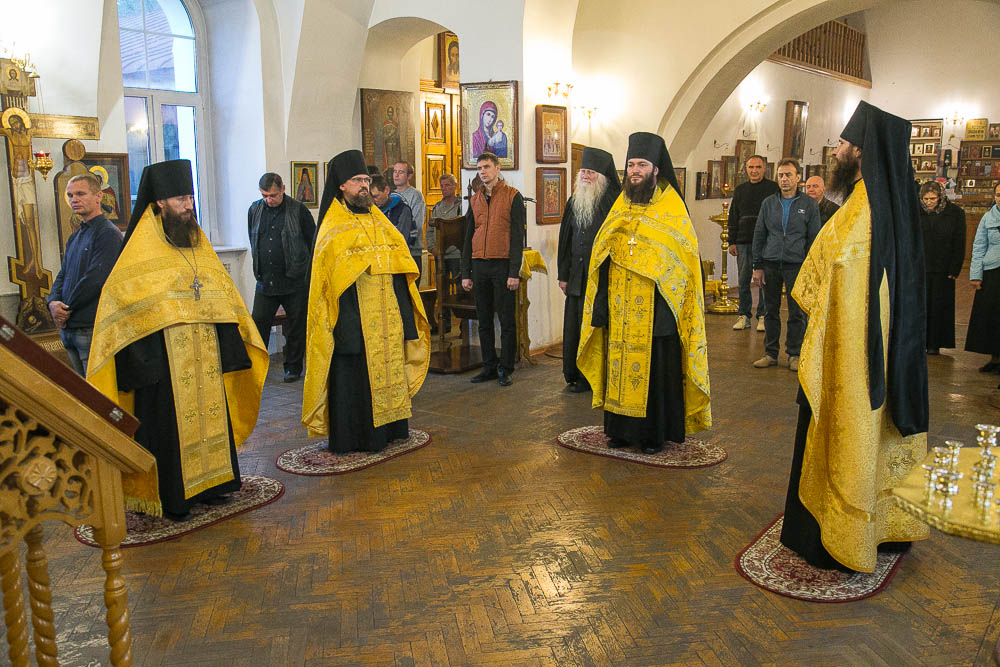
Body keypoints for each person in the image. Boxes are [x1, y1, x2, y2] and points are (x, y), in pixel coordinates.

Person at [779, 101, 930, 573]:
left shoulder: (865, 211)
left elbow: (846, 284)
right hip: (884, 352)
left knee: (853, 432)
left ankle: (840, 535)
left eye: (843, 143)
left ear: (861, 151)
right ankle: (884, 524)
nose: (837, 150)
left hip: (854, 355)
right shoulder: (887, 201)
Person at [88, 159, 268, 521]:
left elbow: (222, 294)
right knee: (168, 428)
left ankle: (215, 486)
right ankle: (175, 497)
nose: (188, 206)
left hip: (205, 355)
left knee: (212, 417)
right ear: (159, 202)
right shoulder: (140, 249)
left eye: (190, 198)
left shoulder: (197, 244)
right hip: (163, 364)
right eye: (180, 199)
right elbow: (119, 300)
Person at [577, 132, 711, 454]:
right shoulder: (620, 205)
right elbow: (603, 248)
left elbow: (683, 260)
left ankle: (654, 435)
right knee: (619, 366)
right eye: (631, 165)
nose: (635, 170)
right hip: (620, 306)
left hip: (657, 308)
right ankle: (620, 431)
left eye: (642, 165)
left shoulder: (672, 207)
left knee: (655, 371)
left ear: (655, 169)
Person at [302, 149, 430, 454]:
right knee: (355, 378)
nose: (364, 186)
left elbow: (400, 262)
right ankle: (357, 438)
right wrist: (347, 323)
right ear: (341, 185)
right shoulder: (333, 226)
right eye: (357, 180)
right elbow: (327, 282)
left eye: (366, 180)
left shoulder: (379, 220)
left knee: (390, 370)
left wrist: (404, 314)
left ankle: (392, 430)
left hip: (387, 317)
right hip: (352, 319)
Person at [557, 147, 621, 393]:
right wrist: (563, 275)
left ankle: (601, 377)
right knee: (575, 326)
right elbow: (565, 241)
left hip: (604, 279)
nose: (585, 175)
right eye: (583, 171)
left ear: (602, 176)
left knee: (599, 328)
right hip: (577, 276)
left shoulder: (614, 202)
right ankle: (577, 375)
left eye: (590, 172)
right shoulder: (574, 201)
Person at [47, 173, 122, 376]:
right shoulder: (75, 237)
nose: (74, 199)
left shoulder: (108, 233)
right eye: (70, 195)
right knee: (79, 390)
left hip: (90, 326)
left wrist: (65, 309)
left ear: (98, 196)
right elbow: (63, 274)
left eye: (80, 194)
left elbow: (96, 279)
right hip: (69, 328)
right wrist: (52, 303)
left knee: (95, 389)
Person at [461, 151, 525, 387]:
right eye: (479, 168)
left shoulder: (512, 196)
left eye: (487, 167)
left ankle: (505, 368)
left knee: (506, 319)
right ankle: (488, 365)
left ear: (498, 169)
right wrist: (466, 272)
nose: (483, 172)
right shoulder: (475, 199)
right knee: (484, 319)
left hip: (502, 263)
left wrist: (513, 272)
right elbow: (468, 236)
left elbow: (517, 237)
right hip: (479, 263)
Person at [751, 158, 821, 372]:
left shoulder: (808, 204)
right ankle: (770, 353)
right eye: (780, 175)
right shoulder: (769, 203)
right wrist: (757, 265)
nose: (784, 179)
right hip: (770, 263)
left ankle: (794, 353)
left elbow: (814, 237)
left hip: (796, 264)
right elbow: (759, 234)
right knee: (770, 310)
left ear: (798, 177)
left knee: (796, 312)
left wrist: (810, 266)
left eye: (788, 175)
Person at [248, 172, 316, 383]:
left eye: (273, 195)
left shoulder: (298, 210)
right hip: (265, 281)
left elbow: (312, 242)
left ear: (283, 189)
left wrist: (308, 274)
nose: (269, 200)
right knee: (258, 324)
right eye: (265, 196)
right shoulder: (254, 210)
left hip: (294, 280)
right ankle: (257, 368)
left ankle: (293, 368)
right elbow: (253, 238)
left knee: (296, 327)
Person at [727, 155, 779, 331]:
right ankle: (744, 315)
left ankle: (763, 315)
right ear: (746, 169)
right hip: (743, 241)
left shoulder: (773, 189)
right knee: (743, 280)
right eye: (751, 167)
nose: (754, 171)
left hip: (766, 242)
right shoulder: (740, 190)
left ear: (764, 168)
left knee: (764, 281)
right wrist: (731, 241)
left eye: (758, 167)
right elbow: (733, 216)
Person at [918, 181, 965, 355]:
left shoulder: (955, 213)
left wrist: (955, 268)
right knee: (921, 306)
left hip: (944, 269)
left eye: (933, 199)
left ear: (940, 197)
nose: (929, 202)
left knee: (939, 308)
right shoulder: (916, 213)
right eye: (925, 199)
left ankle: (935, 343)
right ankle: (919, 341)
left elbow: (959, 242)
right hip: (921, 268)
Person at [966, 182, 1000, 373]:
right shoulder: (988, 218)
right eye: (998, 195)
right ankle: (995, 358)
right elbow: (979, 247)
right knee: (991, 317)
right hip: (992, 272)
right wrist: (975, 275)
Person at [428, 173, 462, 335]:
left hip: (456, 254)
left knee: (461, 288)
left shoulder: (460, 205)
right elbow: (430, 230)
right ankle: (445, 323)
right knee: (442, 290)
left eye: (447, 185)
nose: (444, 189)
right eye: (442, 186)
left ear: (455, 186)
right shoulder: (437, 207)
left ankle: (463, 325)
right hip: (440, 255)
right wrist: (432, 248)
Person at [393, 161, 426, 284]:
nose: (396, 175)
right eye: (395, 172)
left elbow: (417, 223)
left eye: (401, 172)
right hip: (394, 252)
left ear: (409, 176)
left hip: (411, 250)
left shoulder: (415, 195)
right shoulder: (391, 195)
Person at [371, 174, 417, 253]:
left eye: (376, 196)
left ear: (386, 190)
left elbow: (402, 241)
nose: (373, 200)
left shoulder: (402, 210)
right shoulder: (370, 210)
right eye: (370, 197)